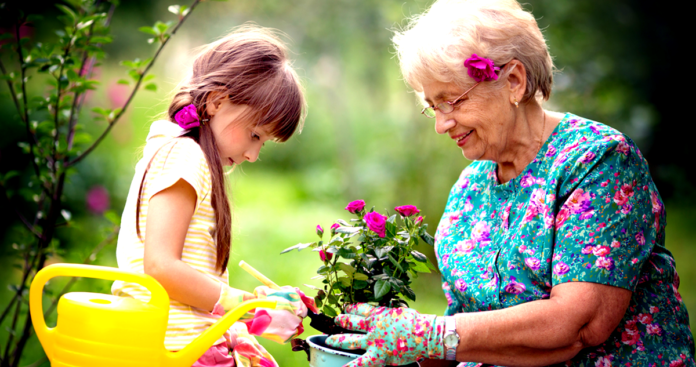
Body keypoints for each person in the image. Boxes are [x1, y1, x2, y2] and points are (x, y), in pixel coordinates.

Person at [326, 0, 695, 366]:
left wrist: (429, 334)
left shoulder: (598, 160)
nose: (441, 124)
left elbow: (580, 325)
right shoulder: (469, 189)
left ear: (514, 81)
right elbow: (462, 337)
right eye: (433, 107)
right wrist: (372, 338)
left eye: (451, 102)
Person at [111, 25, 314, 367]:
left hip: (180, 337)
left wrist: (253, 305)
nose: (253, 154)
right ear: (218, 101)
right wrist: (240, 306)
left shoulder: (186, 156)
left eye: (262, 143)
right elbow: (160, 266)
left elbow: (186, 272)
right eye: (254, 135)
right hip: (174, 345)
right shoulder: (185, 156)